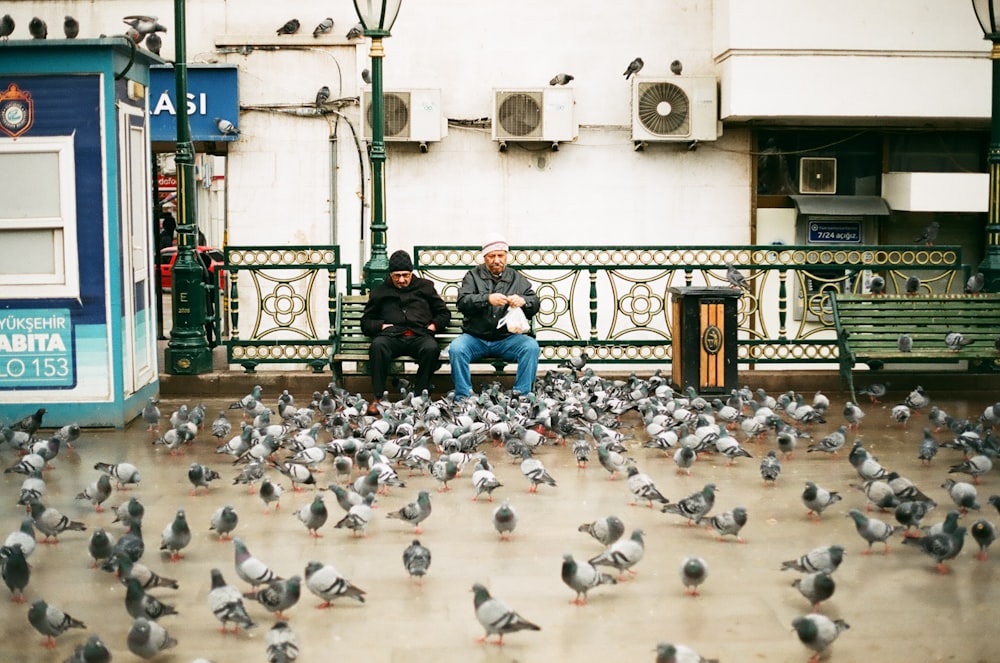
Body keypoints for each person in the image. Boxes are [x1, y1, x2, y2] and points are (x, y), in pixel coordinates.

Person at [449, 233, 540, 400]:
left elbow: (534, 302)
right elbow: (463, 302)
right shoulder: (472, 276)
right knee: (457, 349)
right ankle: (463, 397)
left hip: (506, 339)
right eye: (492, 256)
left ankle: (522, 395)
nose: (496, 260)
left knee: (530, 347)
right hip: (476, 338)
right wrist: (486, 299)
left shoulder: (516, 278)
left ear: (506, 256)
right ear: (485, 257)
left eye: (501, 255)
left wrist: (523, 301)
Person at [360, 250, 451, 413]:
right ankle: (378, 397)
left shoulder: (425, 287)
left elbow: (444, 313)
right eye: (397, 276)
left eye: (405, 275)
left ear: (411, 273)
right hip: (392, 337)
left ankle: (418, 396)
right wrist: (380, 326)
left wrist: (433, 326)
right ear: (391, 275)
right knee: (377, 346)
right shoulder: (380, 292)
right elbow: (366, 322)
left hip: (420, 335)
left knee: (431, 349)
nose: (401, 280)